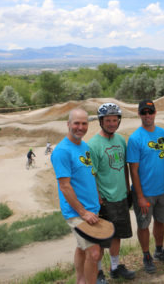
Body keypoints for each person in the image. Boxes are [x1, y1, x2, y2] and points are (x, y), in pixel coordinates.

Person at [51, 108, 101, 284]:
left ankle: (80, 280)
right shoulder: (62, 151)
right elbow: (65, 186)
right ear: (68, 124)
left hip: (91, 208)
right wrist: (83, 212)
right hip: (77, 212)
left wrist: (97, 197)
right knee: (94, 253)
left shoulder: (84, 147)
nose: (80, 127)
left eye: (84, 123)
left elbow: (89, 175)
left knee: (82, 248)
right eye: (76, 123)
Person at [126, 99, 164, 275]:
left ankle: (159, 250)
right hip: (144, 193)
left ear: (155, 113)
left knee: (161, 222)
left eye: (150, 112)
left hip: (161, 190)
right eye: (144, 112)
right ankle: (146, 255)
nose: (147, 115)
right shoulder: (135, 138)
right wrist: (139, 196)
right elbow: (133, 169)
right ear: (139, 114)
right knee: (143, 225)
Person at [88, 103, 135, 282]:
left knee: (117, 235)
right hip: (104, 199)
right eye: (107, 120)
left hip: (121, 196)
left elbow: (124, 166)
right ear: (101, 121)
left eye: (115, 120)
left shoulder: (121, 140)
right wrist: (97, 197)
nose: (112, 123)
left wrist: (128, 187)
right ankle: (99, 273)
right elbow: (91, 174)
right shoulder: (93, 145)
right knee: (101, 239)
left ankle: (115, 267)